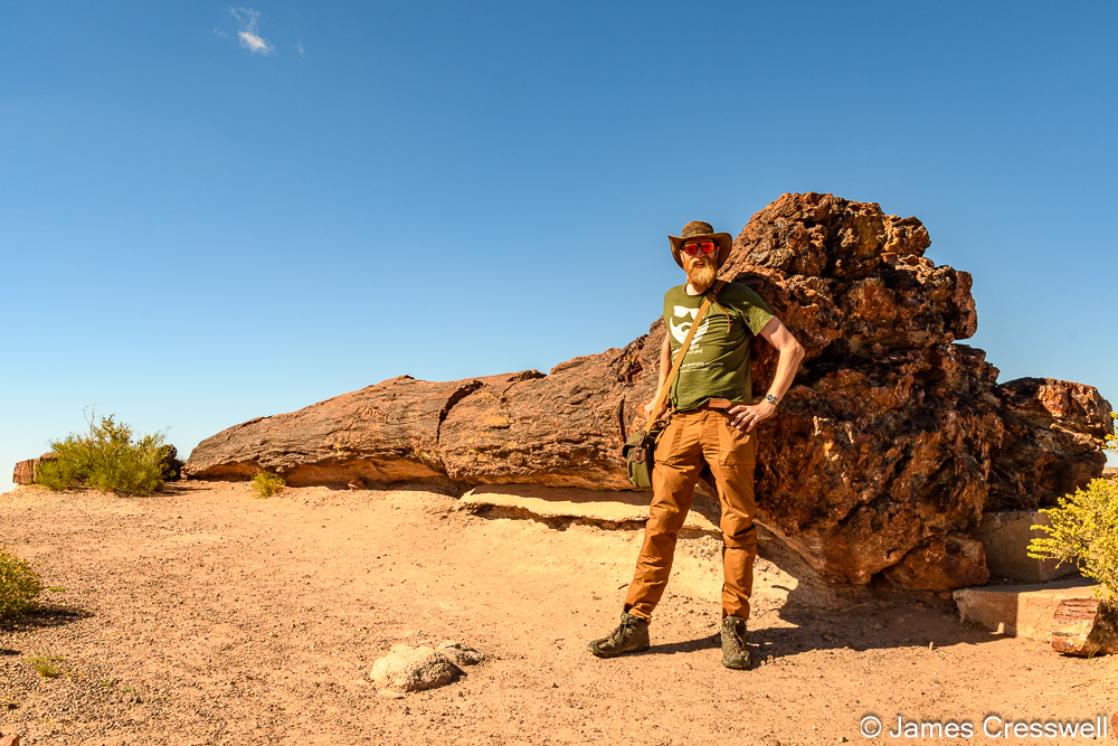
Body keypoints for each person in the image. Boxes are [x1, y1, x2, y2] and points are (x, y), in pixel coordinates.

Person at [587, 220, 805, 669]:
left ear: (717, 254)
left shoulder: (739, 297)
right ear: (680, 256)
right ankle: (635, 622)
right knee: (660, 523)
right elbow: (671, 346)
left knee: (738, 525)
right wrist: (658, 397)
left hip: (729, 422)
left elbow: (790, 347)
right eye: (691, 248)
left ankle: (734, 625)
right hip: (679, 424)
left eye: (706, 246)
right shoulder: (671, 300)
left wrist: (767, 405)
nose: (699, 253)